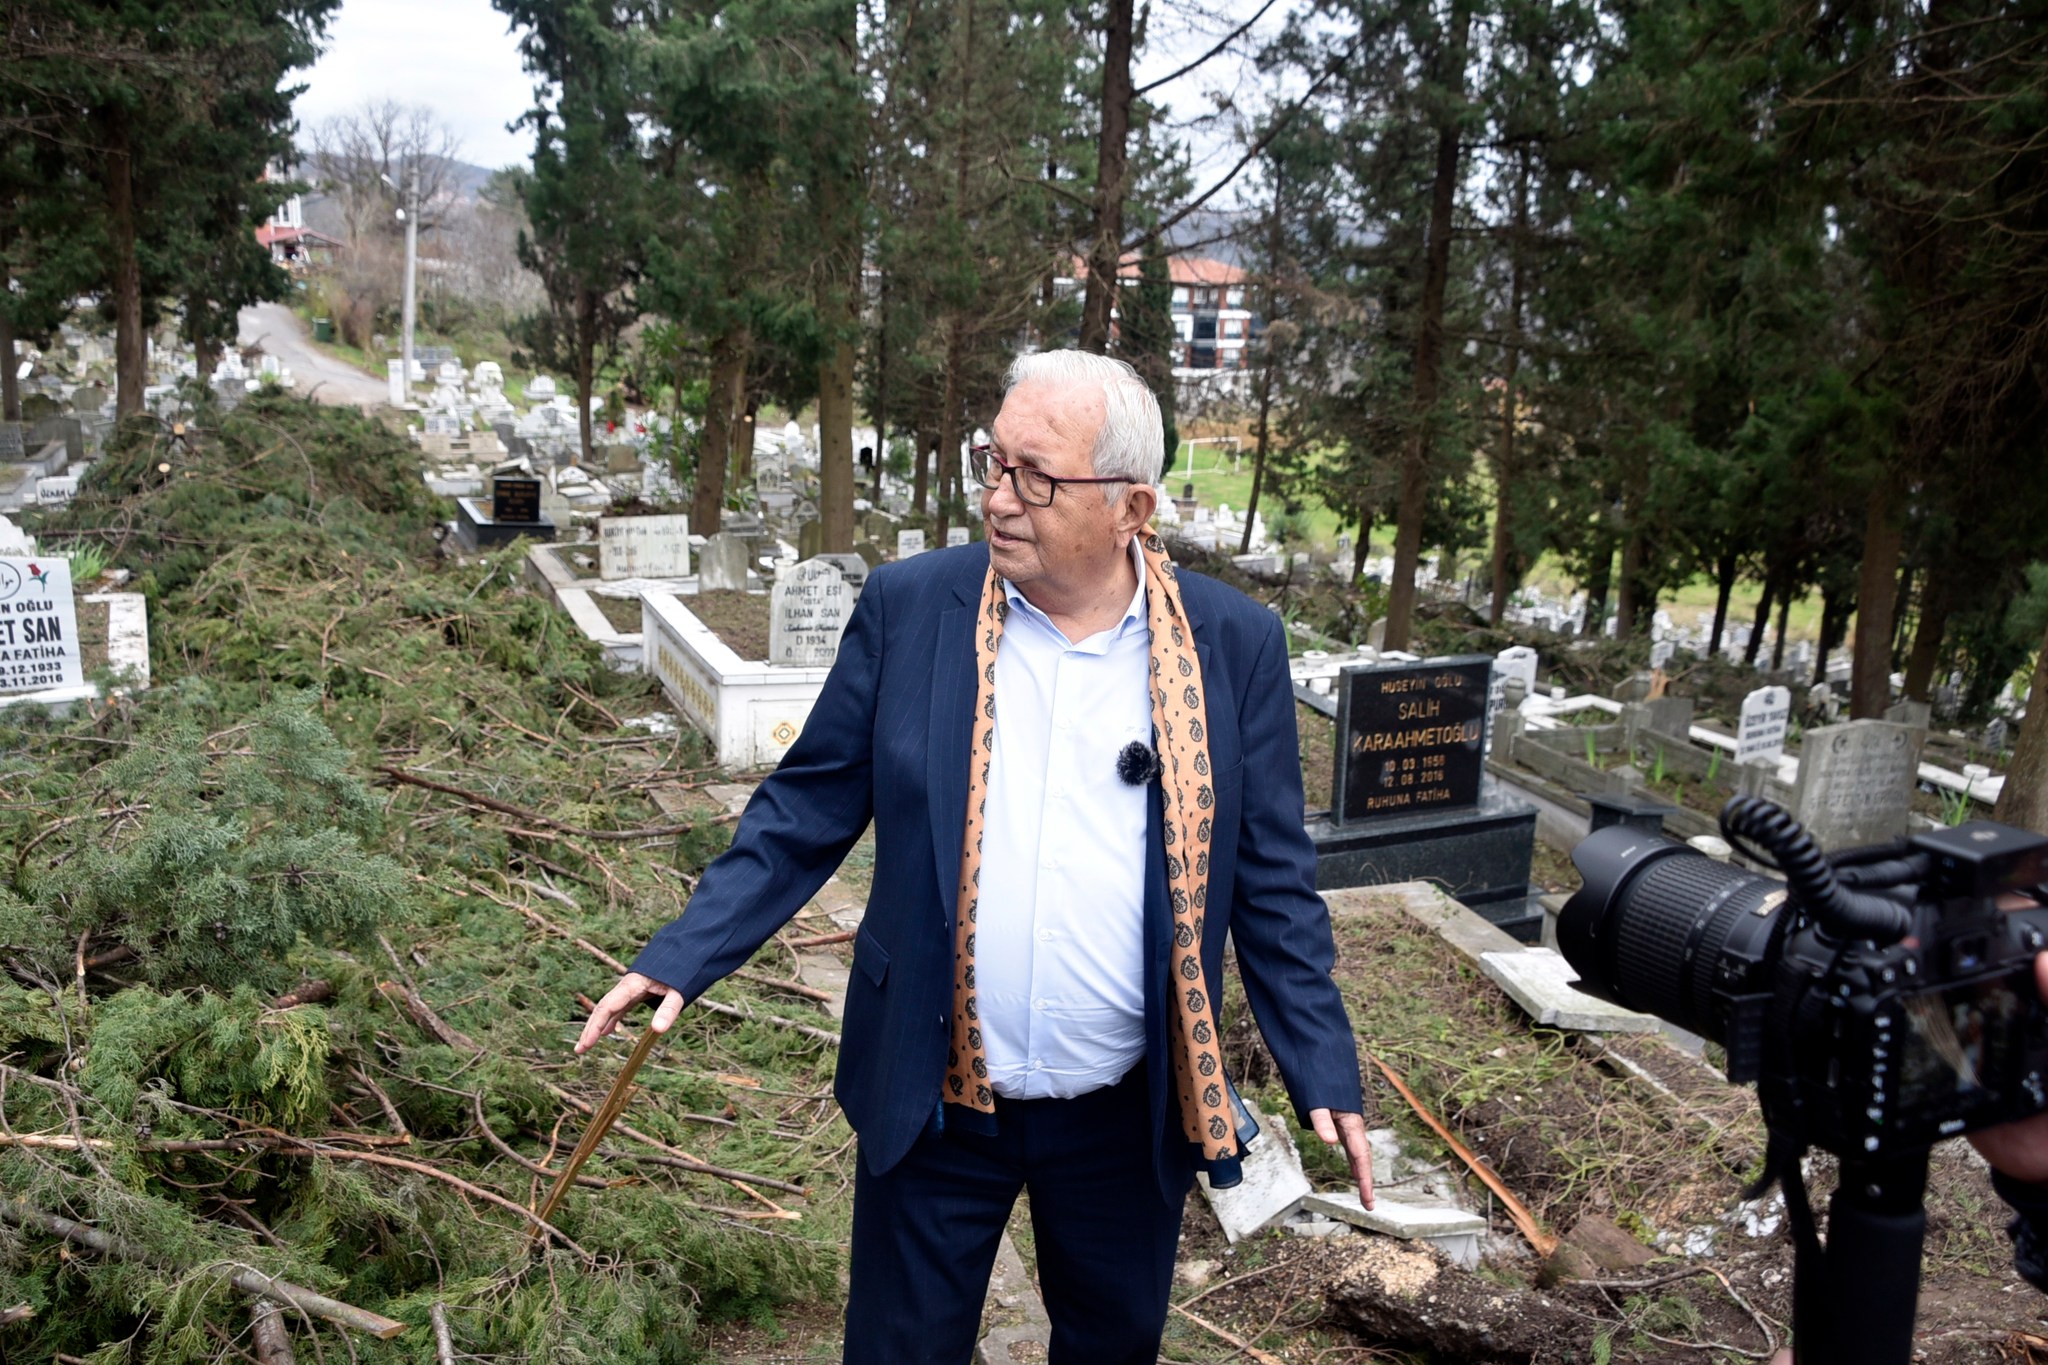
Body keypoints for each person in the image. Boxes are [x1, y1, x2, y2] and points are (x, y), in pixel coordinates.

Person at [579, 350, 1372, 1363]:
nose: (997, 499)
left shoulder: (1231, 645)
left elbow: (1269, 883)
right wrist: (684, 952)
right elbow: (807, 805)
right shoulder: (914, 609)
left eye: (1033, 477)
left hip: (1123, 1116)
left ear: (1130, 507)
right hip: (933, 1094)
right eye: (990, 465)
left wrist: (1319, 1061)